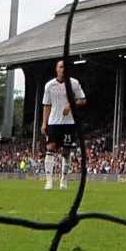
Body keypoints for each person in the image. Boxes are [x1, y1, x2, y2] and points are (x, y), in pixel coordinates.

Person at [41, 60, 87, 190]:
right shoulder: (49, 85)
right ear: (56, 69)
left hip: (69, 122)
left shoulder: (74, 83)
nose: (63, 69)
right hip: (53, 121)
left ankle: (63, 180)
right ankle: (49, 181)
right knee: (50, 147)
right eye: (61, 67)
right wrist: (44, 123)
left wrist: (71, 104)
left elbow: (83, 99)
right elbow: (46, 105)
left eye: (65, 67)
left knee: (66, 151)